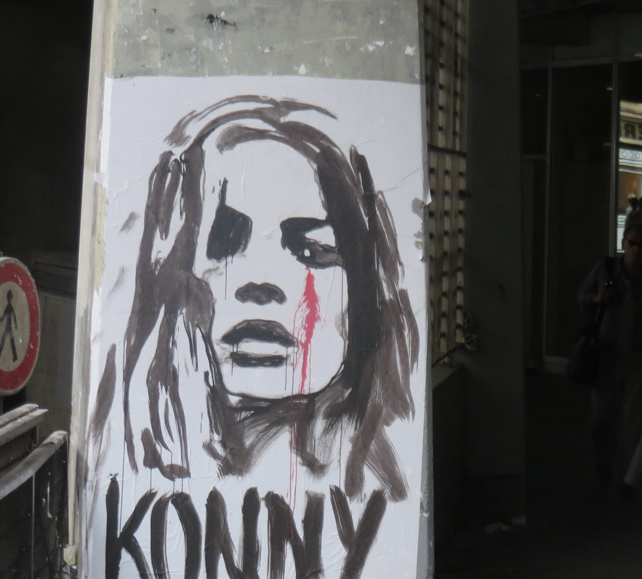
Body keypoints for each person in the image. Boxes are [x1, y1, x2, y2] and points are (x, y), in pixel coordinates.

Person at [90, 95, 419, 511]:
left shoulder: (378, 486)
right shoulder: (145, 466)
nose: (258, 285)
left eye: (311, 249)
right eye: (223, 240)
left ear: (361, 294)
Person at [577, 219, 642, 493]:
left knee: (635, 420)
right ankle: (603, 470)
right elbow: (581, 296)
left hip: (639, 354)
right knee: (602, 417)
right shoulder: (606, 268)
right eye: (631, 243)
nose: (636, 250)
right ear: (623, 243)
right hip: (606, 353)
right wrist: (599, 299)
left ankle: (628, 478)